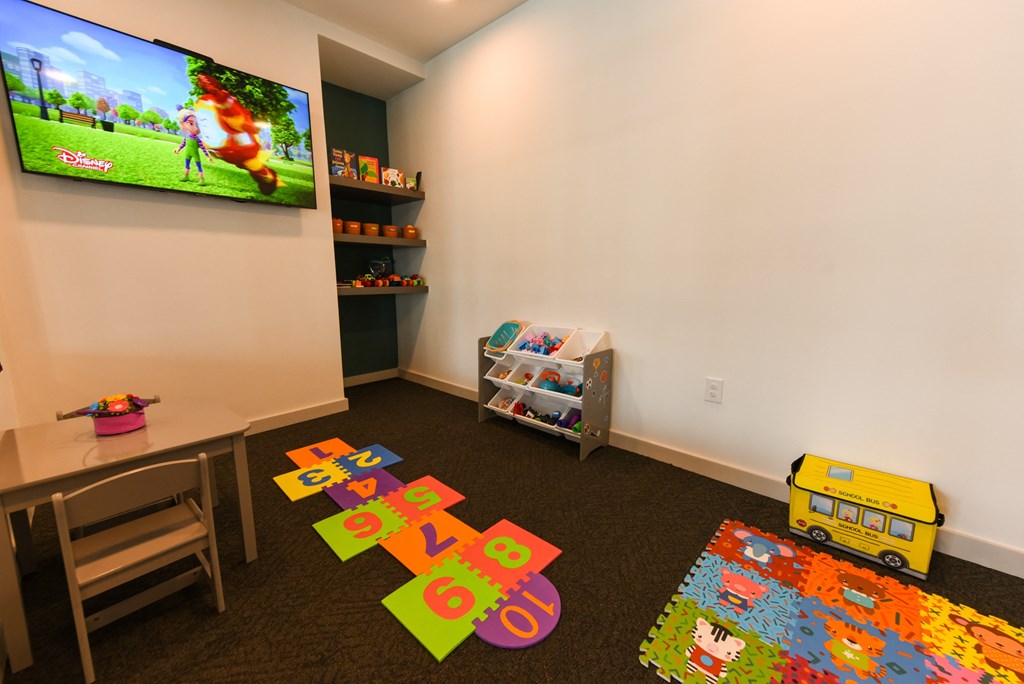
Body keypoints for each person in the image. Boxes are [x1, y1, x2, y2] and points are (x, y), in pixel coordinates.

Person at [174, 105, 212, 185]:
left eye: (198, 125)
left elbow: (203, 148)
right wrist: (178, 149)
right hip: (187, 154)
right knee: (187, 165)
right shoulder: (187, 136)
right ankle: (186, 176)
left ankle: (202, 179)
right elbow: (183, 143)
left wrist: (208, 156)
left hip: (195, 155)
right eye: (190, 123)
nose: (196, 128)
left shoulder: (197, 139)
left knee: (199, 166)